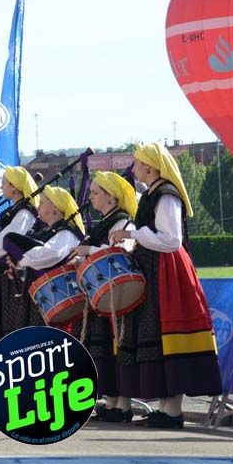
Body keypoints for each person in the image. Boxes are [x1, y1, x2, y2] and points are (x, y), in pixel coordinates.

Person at [108, 143, 222, 428]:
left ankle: (172, 410)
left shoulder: (167, 195)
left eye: (137, 163)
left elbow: (171, 239)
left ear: (150, 166)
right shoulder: (153, 193)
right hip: (153, 268)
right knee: (154, 334)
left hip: (167, 271)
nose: (133, 168)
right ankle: (165, 408)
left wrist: (132, 233)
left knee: (167, 333)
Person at [70, 171, 137, 422]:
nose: (92, 196)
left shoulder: (123, 222)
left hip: (117, 294)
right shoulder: (105, 222)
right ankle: (111, 402)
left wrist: (90, 250)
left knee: (117, 346)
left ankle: (123, 404)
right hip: (101, 294)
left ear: (111, 197)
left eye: (97, 192)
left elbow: (122, 251)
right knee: (104, 349)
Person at [0, 166, 43, 350]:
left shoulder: (25, 213)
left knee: (12, 322)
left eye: (4, 183)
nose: (2, 187)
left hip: (14, 277)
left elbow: (6, 240)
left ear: (14, 187)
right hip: (2, 275)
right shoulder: (15, 210)